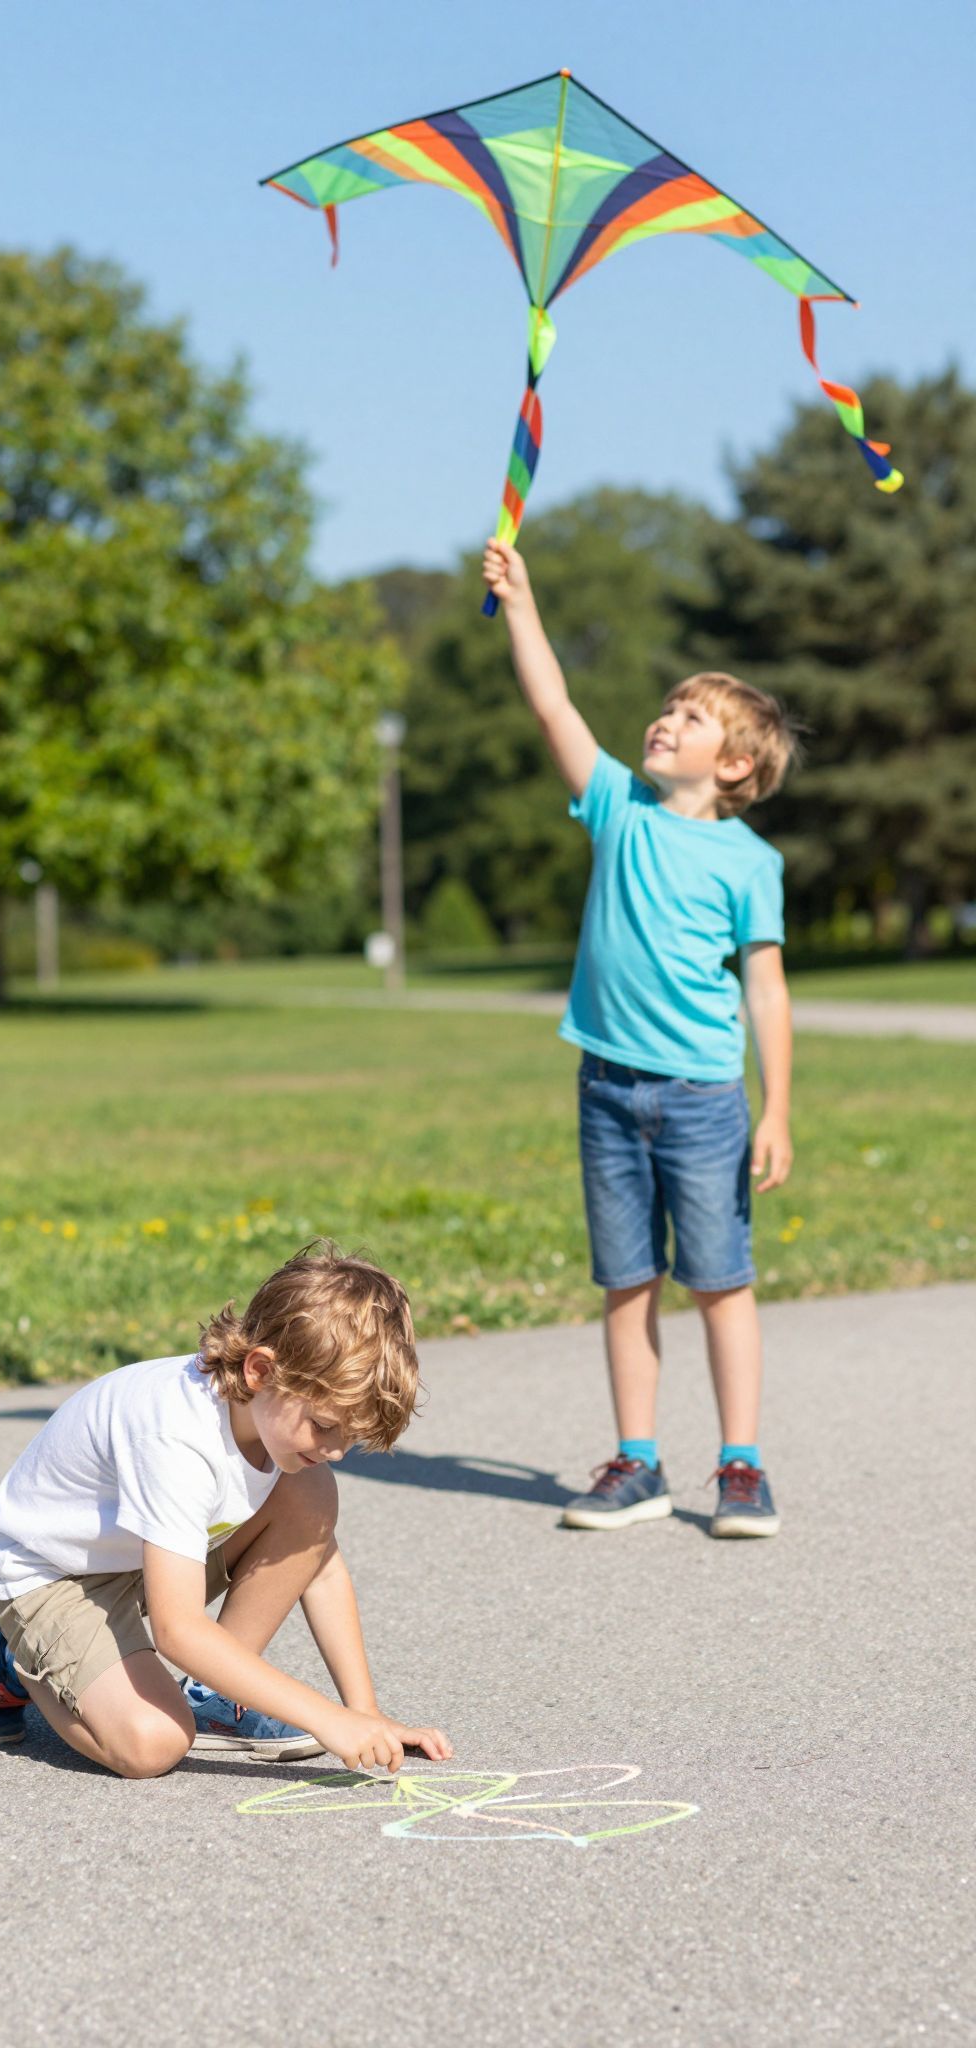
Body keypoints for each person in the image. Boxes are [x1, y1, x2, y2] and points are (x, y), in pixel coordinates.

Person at [482, 538, 799, 1539]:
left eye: (691, 717)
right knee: (627, 1280)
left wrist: (779, 1106)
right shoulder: (617, 807)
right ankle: (637, 1461)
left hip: (704, 1097)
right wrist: (523, 601)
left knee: (718, 1282)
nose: (665, 720)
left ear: (735, 762)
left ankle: (740, 1465)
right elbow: (552, 707)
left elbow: (768, 988)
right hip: (609, 1089)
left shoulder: (750, 863)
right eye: (667, 708)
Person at [0, 1243, 453, 1777]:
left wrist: (365, 1713)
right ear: (260, 1371)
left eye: (350, 1437)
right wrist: (329, 1720)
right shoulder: (176, 1439)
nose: (334, 1449)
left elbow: (321, 1571)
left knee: (311, 1494)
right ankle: (15, 1656)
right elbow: (180, 1630)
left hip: (135, 1555)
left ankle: (210, 1694)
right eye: (325, 1425)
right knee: (154, 1745)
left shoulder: (269, 1425)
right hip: (51, 1575)